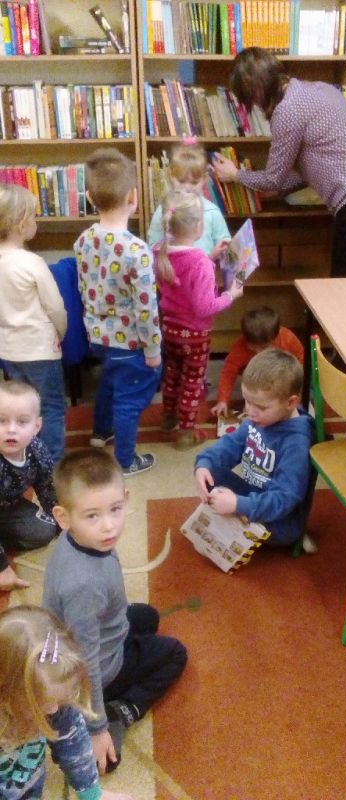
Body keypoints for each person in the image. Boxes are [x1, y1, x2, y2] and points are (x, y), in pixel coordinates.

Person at [43, 448, 188, 776]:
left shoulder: (79, 539)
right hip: (96, 668)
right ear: (63, 518)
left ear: (126, 498)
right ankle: (121, 710)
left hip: (95, 633)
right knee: (175, 653)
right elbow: (87, 662)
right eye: (92, 516)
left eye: (115, 509)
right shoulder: (84, 586)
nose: (109, 526)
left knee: (147, 616)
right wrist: (97, 729)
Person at [212, 47, 346, 279]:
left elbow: (273, 179)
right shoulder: (320, 89)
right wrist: (276, 190)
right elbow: (311, 169)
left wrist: (235, 175)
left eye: (251, 98)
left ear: (257, 88)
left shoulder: (287, 110)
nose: (255, 105)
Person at [74, 148, 162, 476]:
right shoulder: (137, 251)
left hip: (99, 336)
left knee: (110, 383)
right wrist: (153, 350)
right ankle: (125, 461)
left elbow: (84, 287)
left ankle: (100, 433)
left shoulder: (83, 240)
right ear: (133, 196)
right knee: (129, 399)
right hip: (131, 341)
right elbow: (146, 308)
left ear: (89, 198)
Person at [0, 604, 135, 800]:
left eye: (60, 700)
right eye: (43, 704)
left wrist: (92, 795)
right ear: (5, 693)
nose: (54, 709)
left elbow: (74, 743)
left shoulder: (53, 702)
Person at [195, 349, 316, 550]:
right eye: (247, 401)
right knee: (210, 473)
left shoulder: (296, 443)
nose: (250, 411)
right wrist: (204, 464)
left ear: (291, 402)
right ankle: (236, 513)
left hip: (280, 519)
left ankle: (293, 537)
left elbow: (284, 499)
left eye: (261, 406)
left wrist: (238, 505)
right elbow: (230, 445)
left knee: (228, 507)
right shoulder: (259, 419)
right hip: (255, 495)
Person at [153, 188, 243, 449]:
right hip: (195, 335)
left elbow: (183, 274)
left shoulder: (160, 250)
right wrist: (231, 295)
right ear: (198, 227)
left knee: (172, 375)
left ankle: (169, 418)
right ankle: (186, 432)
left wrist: (210, 257)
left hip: (170, 329)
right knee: (192, 384)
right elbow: (205, 307)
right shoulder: (199, 263)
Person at [0, 183, 67, 463]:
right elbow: (55, 307)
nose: (36, 223)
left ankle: (25, 458)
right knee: (50, 407)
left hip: (9, 350)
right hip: (40, 349)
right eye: (34, 217)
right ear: (21, 224)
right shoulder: (31, 262)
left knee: (21, 408)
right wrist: (61, 332)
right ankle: (51, 464)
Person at [0, 381, 59, 593]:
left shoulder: (37, 449)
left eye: (22, 421)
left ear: (36, 426)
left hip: (8, 507)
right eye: (1, 421)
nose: (11, 429)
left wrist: (65, 525)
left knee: (45, 530)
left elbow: (47, 488)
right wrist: (2, 568)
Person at [211, 306, 304, 417]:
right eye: (252, 347)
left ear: (277, 335)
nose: (259, 351)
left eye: (264, 347)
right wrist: (223, 400)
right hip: (255, 374)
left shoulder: (288, 339)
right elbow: (229, 372)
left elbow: (300, 361)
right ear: (245, 339)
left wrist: (295, 389)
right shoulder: (241, 346)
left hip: (283, 372)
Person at [147, 137, 231, 261]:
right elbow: (153, 248)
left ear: (205, 179)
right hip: (172, 272)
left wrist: (218, 253)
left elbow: (225, 246)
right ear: (170, 176)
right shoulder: (164, 210)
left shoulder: (212, 212)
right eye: (181, 181)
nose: (187, 188)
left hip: (205, 271)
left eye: (194, 182)